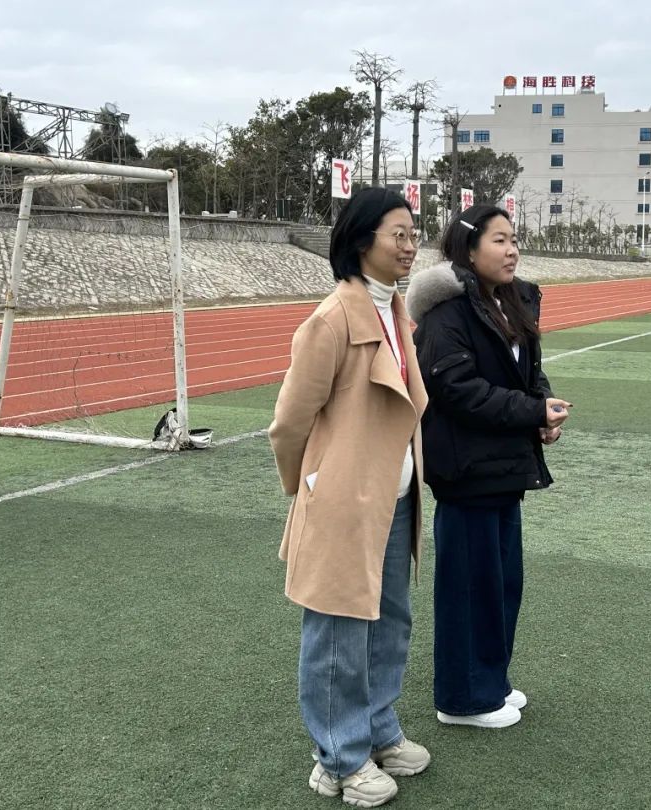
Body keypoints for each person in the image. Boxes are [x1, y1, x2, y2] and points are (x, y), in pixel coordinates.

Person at [269, 188, 430, 808]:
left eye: (414, 233)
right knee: (338, 632)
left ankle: (378, 732)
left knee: (388, 623)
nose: (410, 245)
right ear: (362, 241)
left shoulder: (395, 313)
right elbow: (289, 422)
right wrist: (309, 486)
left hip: (393, 498)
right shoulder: (333, 319)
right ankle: (337, 759)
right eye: (398, 234)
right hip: (343, 501)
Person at [404, 204, 571, 730]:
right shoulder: (446, 315)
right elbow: (458, 391)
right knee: (469, 589)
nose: (512, 249)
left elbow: (529, 374)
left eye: (514, 239)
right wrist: (531, 412)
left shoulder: (514, 301)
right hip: (466, 472)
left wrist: (543, 412)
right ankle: (462, 699)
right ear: (468, 249)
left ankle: (491, 683)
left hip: (504, 468)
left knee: (501, 584)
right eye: (499, 240)